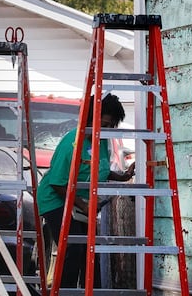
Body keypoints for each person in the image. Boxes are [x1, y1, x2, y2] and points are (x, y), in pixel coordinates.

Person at [36, 93, 135, 288]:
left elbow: (99, 170)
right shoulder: (71, 142)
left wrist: (121, 176)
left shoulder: (102, 140)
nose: (104, 130)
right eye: (102, 124)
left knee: (91, 251)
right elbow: (58, 183)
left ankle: (92, 291)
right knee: (73, 248)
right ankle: (65, 291)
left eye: (110, 126)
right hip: (56, 199)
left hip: (78, 200)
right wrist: (84, 206)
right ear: (89, 119)